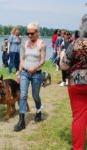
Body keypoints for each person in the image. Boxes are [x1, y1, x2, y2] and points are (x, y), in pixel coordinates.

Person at [60, 14, 87, 150]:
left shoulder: (75, 44)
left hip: (77, 84)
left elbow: (64, 66)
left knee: (79, 118)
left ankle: (78, 148)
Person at [14, 22, 46, 132]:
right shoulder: (24, 44)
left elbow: (42, 60)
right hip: (25, 73)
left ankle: (38, 111)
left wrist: (35, 67)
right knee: (23, 95)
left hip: (36, 74)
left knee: (35, 95)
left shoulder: (42, 44)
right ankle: (21, 121)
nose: (29, 35)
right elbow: (22, 59)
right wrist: (19, 72)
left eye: (31, 33)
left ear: (37, 32)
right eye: (27, 33)